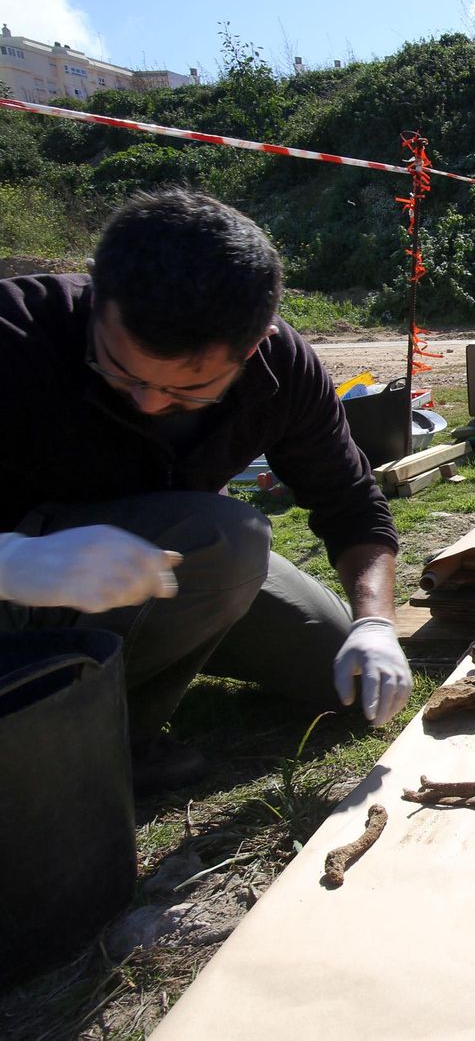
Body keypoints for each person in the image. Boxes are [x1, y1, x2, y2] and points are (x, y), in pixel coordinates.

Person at [0, 190, 413, 790]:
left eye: (187, 393)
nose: (147, 403)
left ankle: (135, 657)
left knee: (337, 676)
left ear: (254, 344)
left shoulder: (283, 370)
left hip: (166, 566)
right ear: (98, 295)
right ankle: (100, 740)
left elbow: (351, 504)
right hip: (22, 575)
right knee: (228, 535)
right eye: (118, 370)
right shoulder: (14, 333)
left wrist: (375, 624)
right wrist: (13, 561)